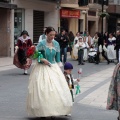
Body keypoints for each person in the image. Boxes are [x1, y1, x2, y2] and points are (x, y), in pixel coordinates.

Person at [27, 27, 72, 118]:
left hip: (53, 67)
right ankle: (42, 111)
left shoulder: (56, 44)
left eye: (54, 35)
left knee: (56, 89)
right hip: (42, 68)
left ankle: (54, 110)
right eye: (50, 35)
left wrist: (60, 70)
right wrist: (42, 60)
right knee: (43, 89)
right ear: (46, 34)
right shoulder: (41, 44)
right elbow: (35, 56)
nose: (52, 37)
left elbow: (58, 58)